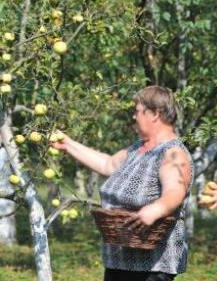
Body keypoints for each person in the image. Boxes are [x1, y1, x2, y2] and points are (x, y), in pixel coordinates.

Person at [51, 86, 193, 281]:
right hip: (120, 257)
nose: (134, 117)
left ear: (154, 114)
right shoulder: (138, 149)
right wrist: (68, 144)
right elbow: (108, 163)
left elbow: (175, 191)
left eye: (137, 111)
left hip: (152, 265)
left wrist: (155, 210)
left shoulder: (173, 153)